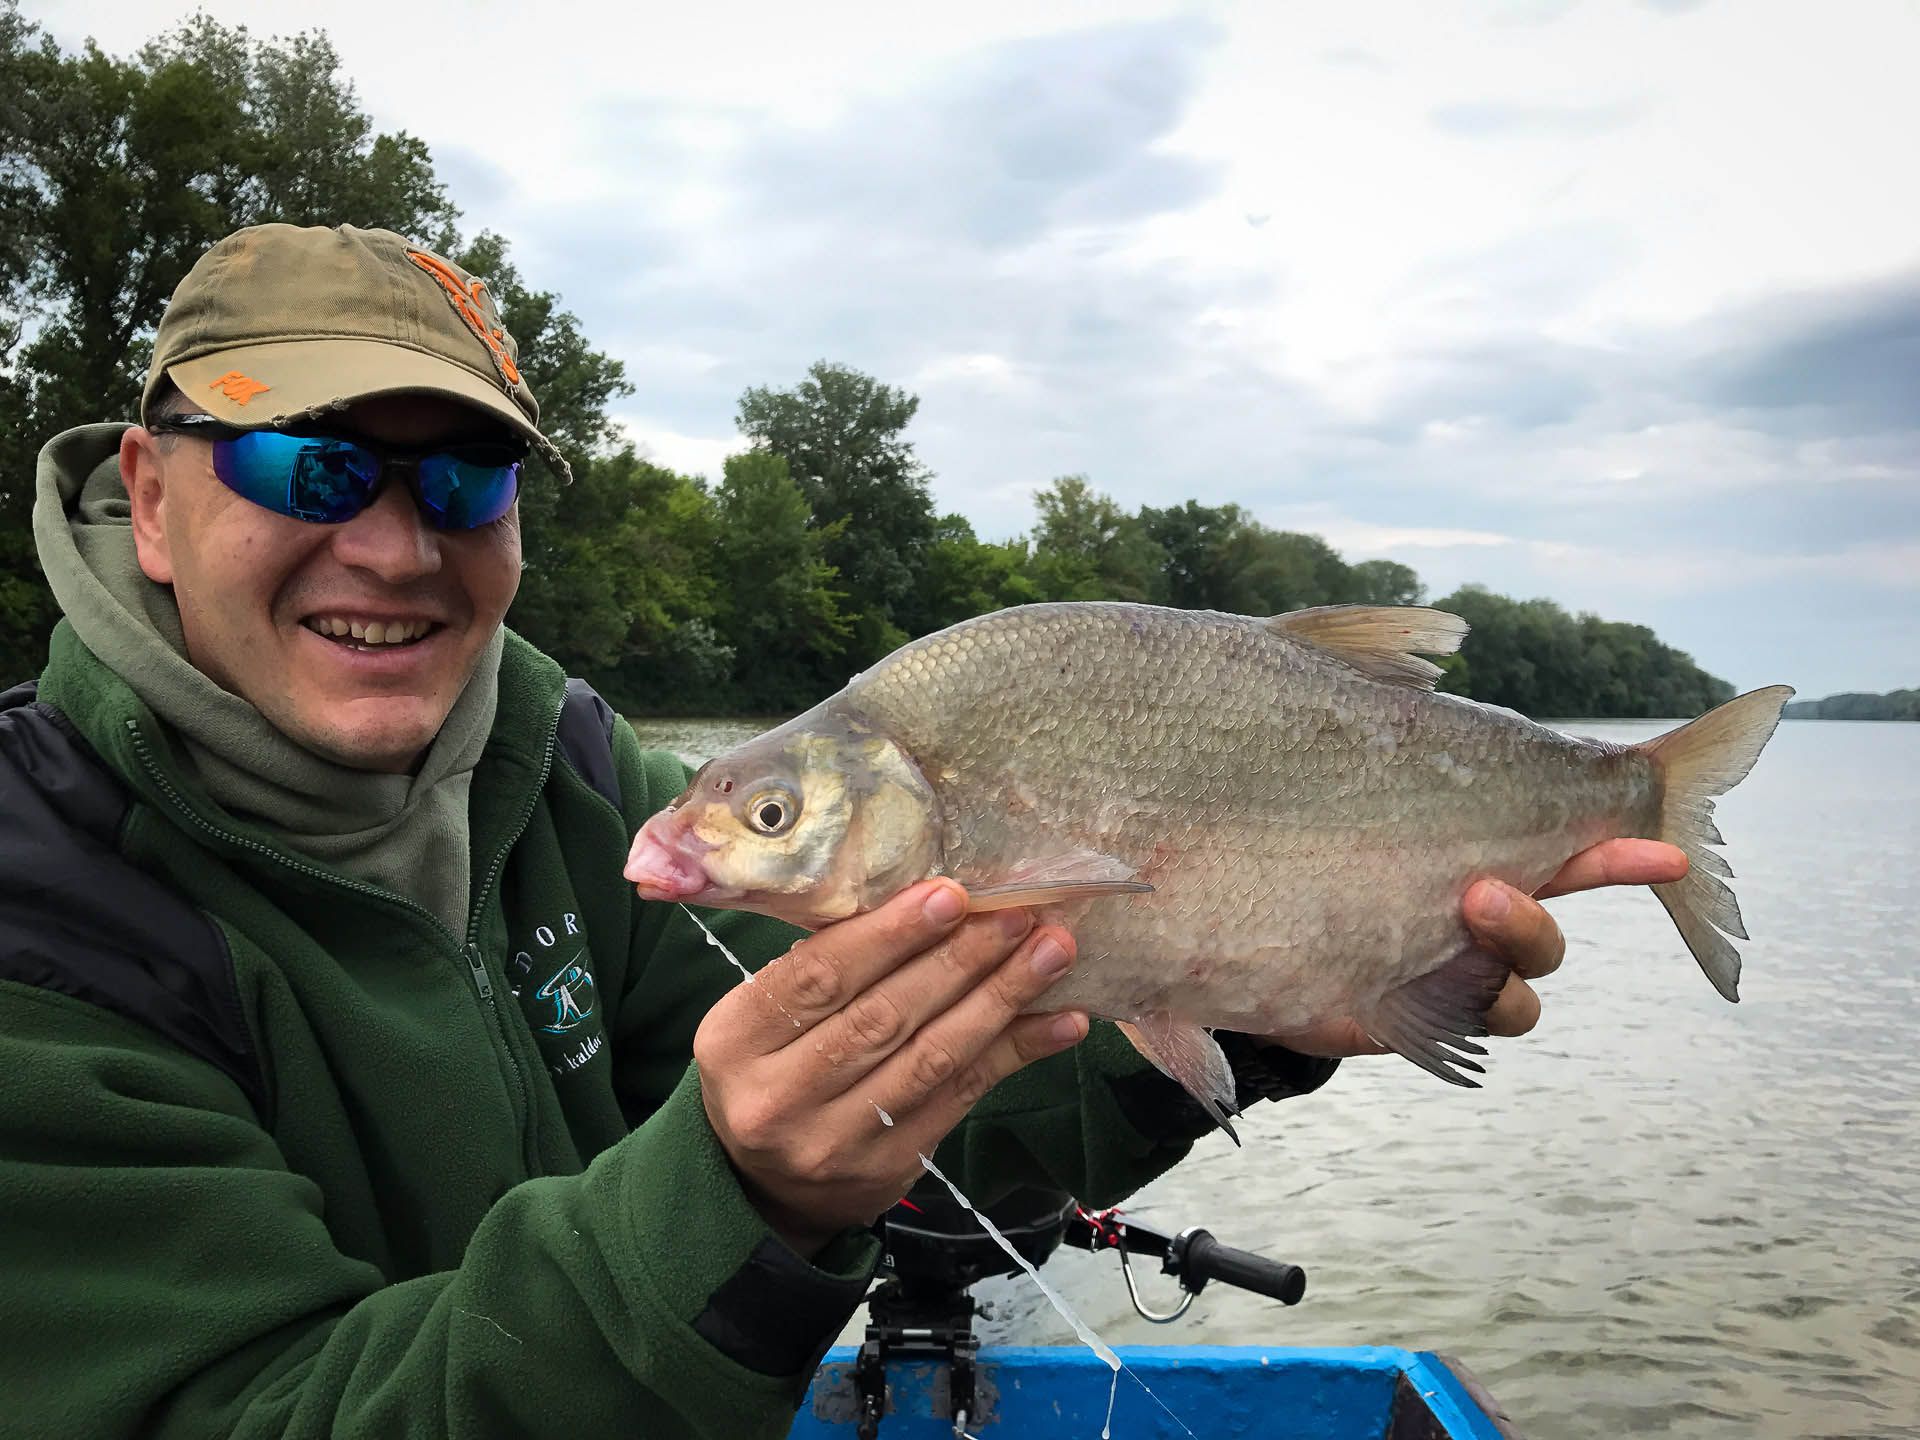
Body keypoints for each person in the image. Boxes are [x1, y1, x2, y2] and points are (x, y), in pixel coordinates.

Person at [0, 223, 1686, 1439]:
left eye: (461, 484)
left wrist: (1240, 991)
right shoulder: (39, 905)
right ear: (150, 494)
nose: (394, 544)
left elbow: (919, 1144)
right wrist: (729, 1190)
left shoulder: (573, 776)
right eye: (312, 468)